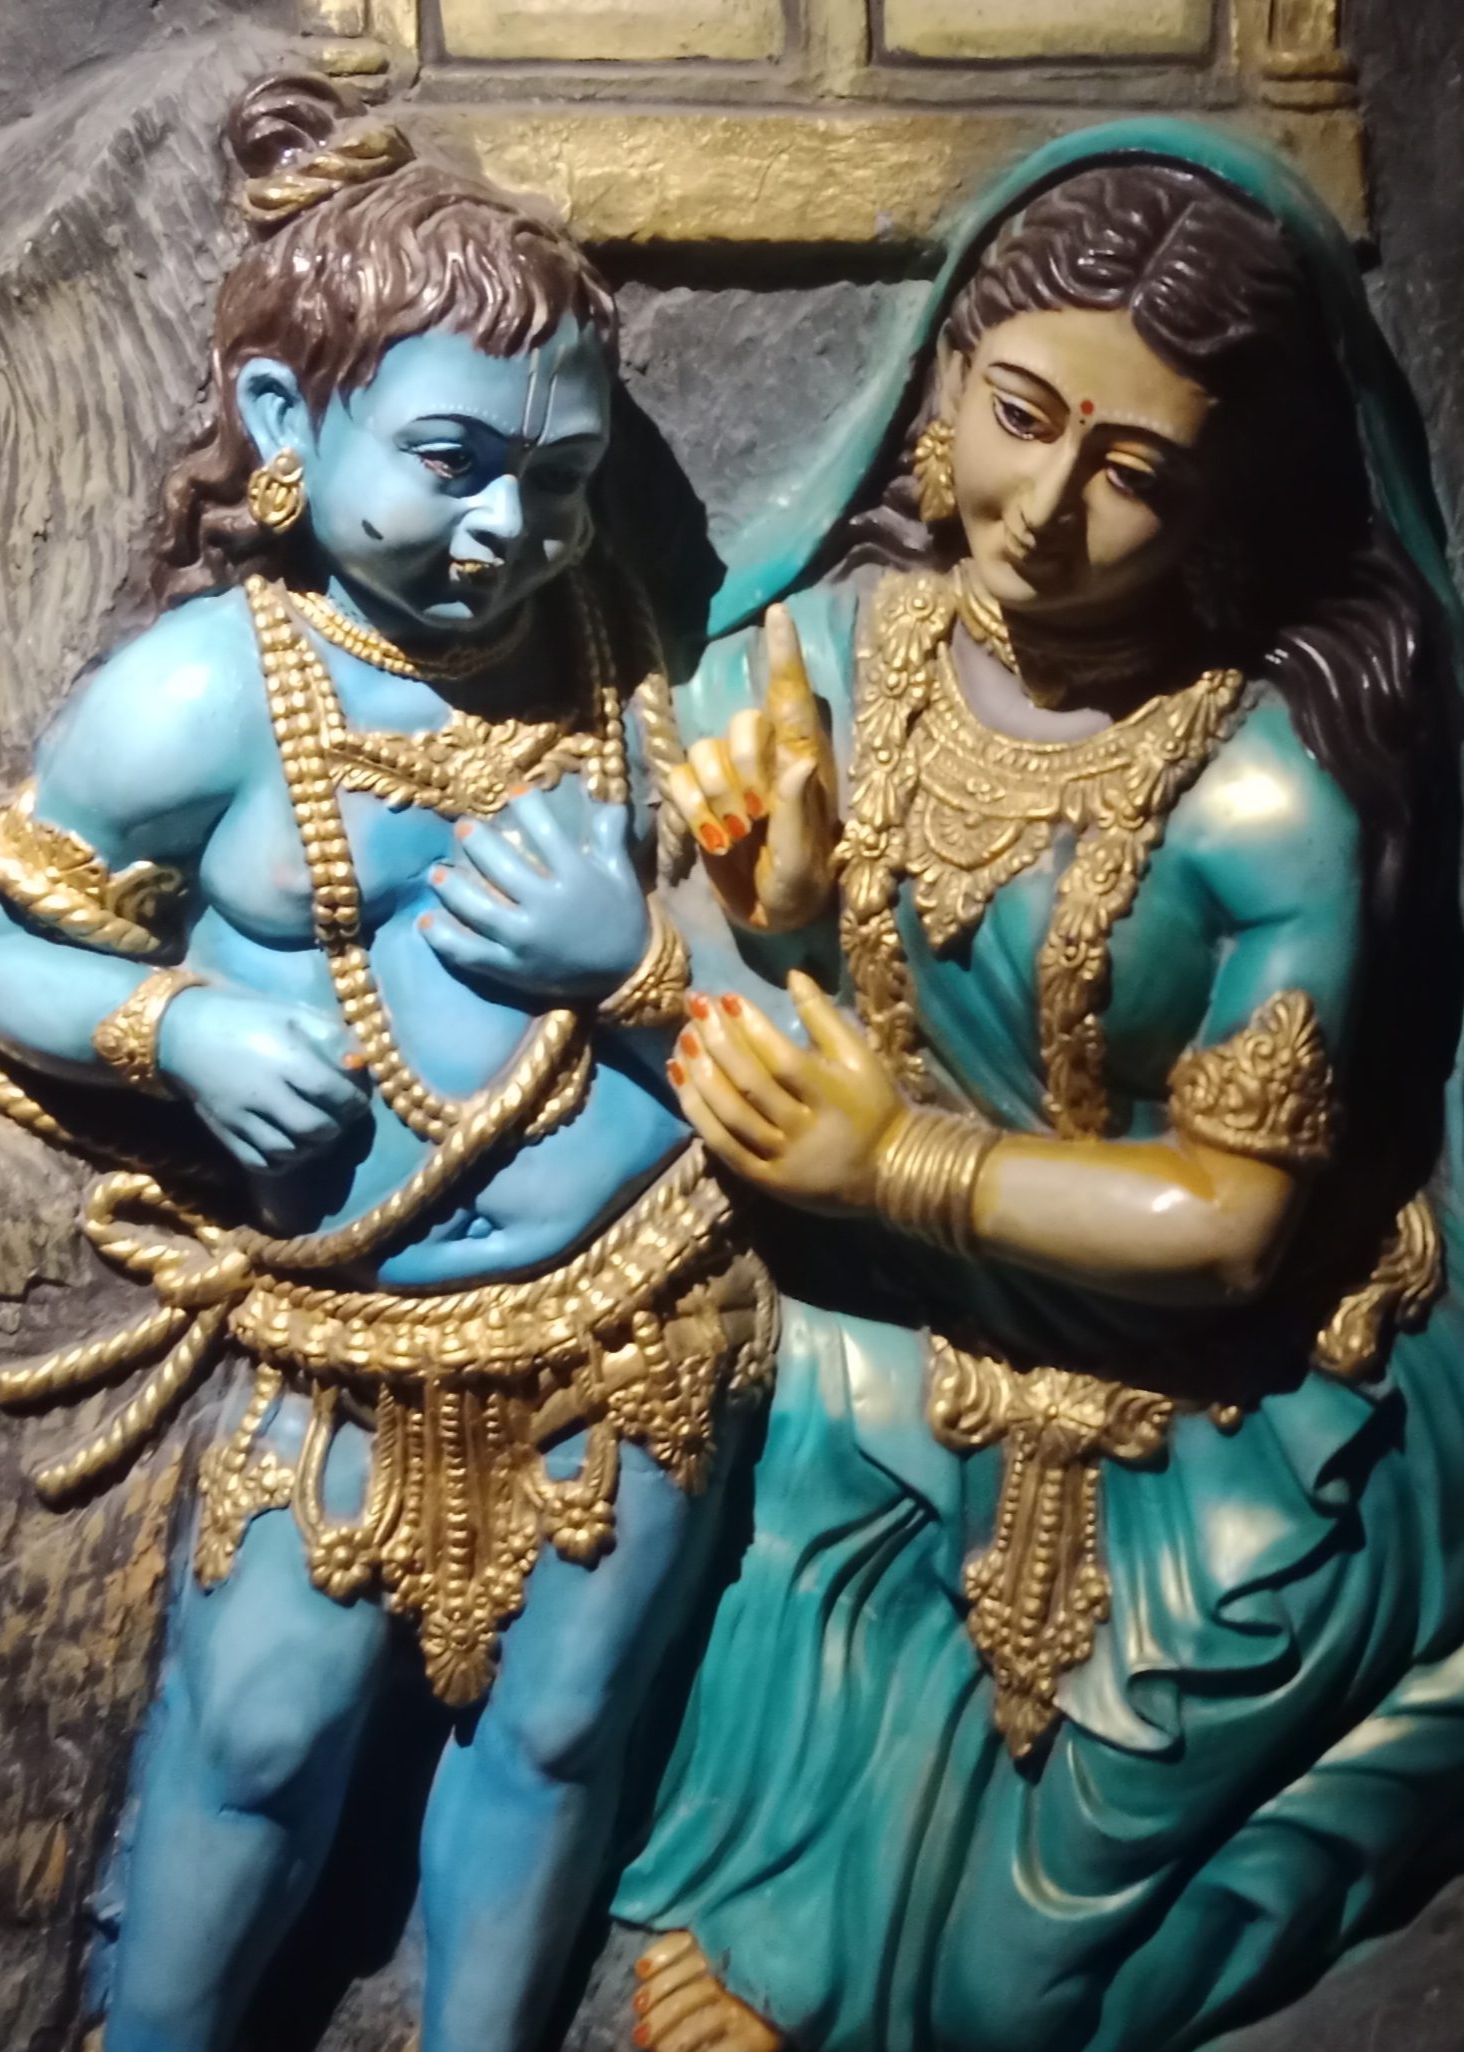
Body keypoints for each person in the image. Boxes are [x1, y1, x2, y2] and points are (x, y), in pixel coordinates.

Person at [609, 121, 1464, 2052]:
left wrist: (893, 1163)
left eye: (1134, 471)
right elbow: (694, 992)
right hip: (885, 1359)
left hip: (1220, 1413)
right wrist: (769, 902)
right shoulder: (819, 659)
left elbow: (1233, 1228)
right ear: (940, 378)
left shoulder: (1262, 797)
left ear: (1228, 503)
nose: (1049, 504)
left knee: (1019, 1999)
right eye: (1018, 414)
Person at [0, 73, 772, 2052]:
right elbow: (3, 960)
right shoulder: (200, 697)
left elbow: (776, 983)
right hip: (336, 1344)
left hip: (636, 1312)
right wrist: (183, 1027)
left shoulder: (629, 661)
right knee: (252, 1744)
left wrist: (638, 963)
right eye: (455, 461)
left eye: (559, 479)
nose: (509, 531)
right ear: (283, 423)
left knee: (560, 1741)